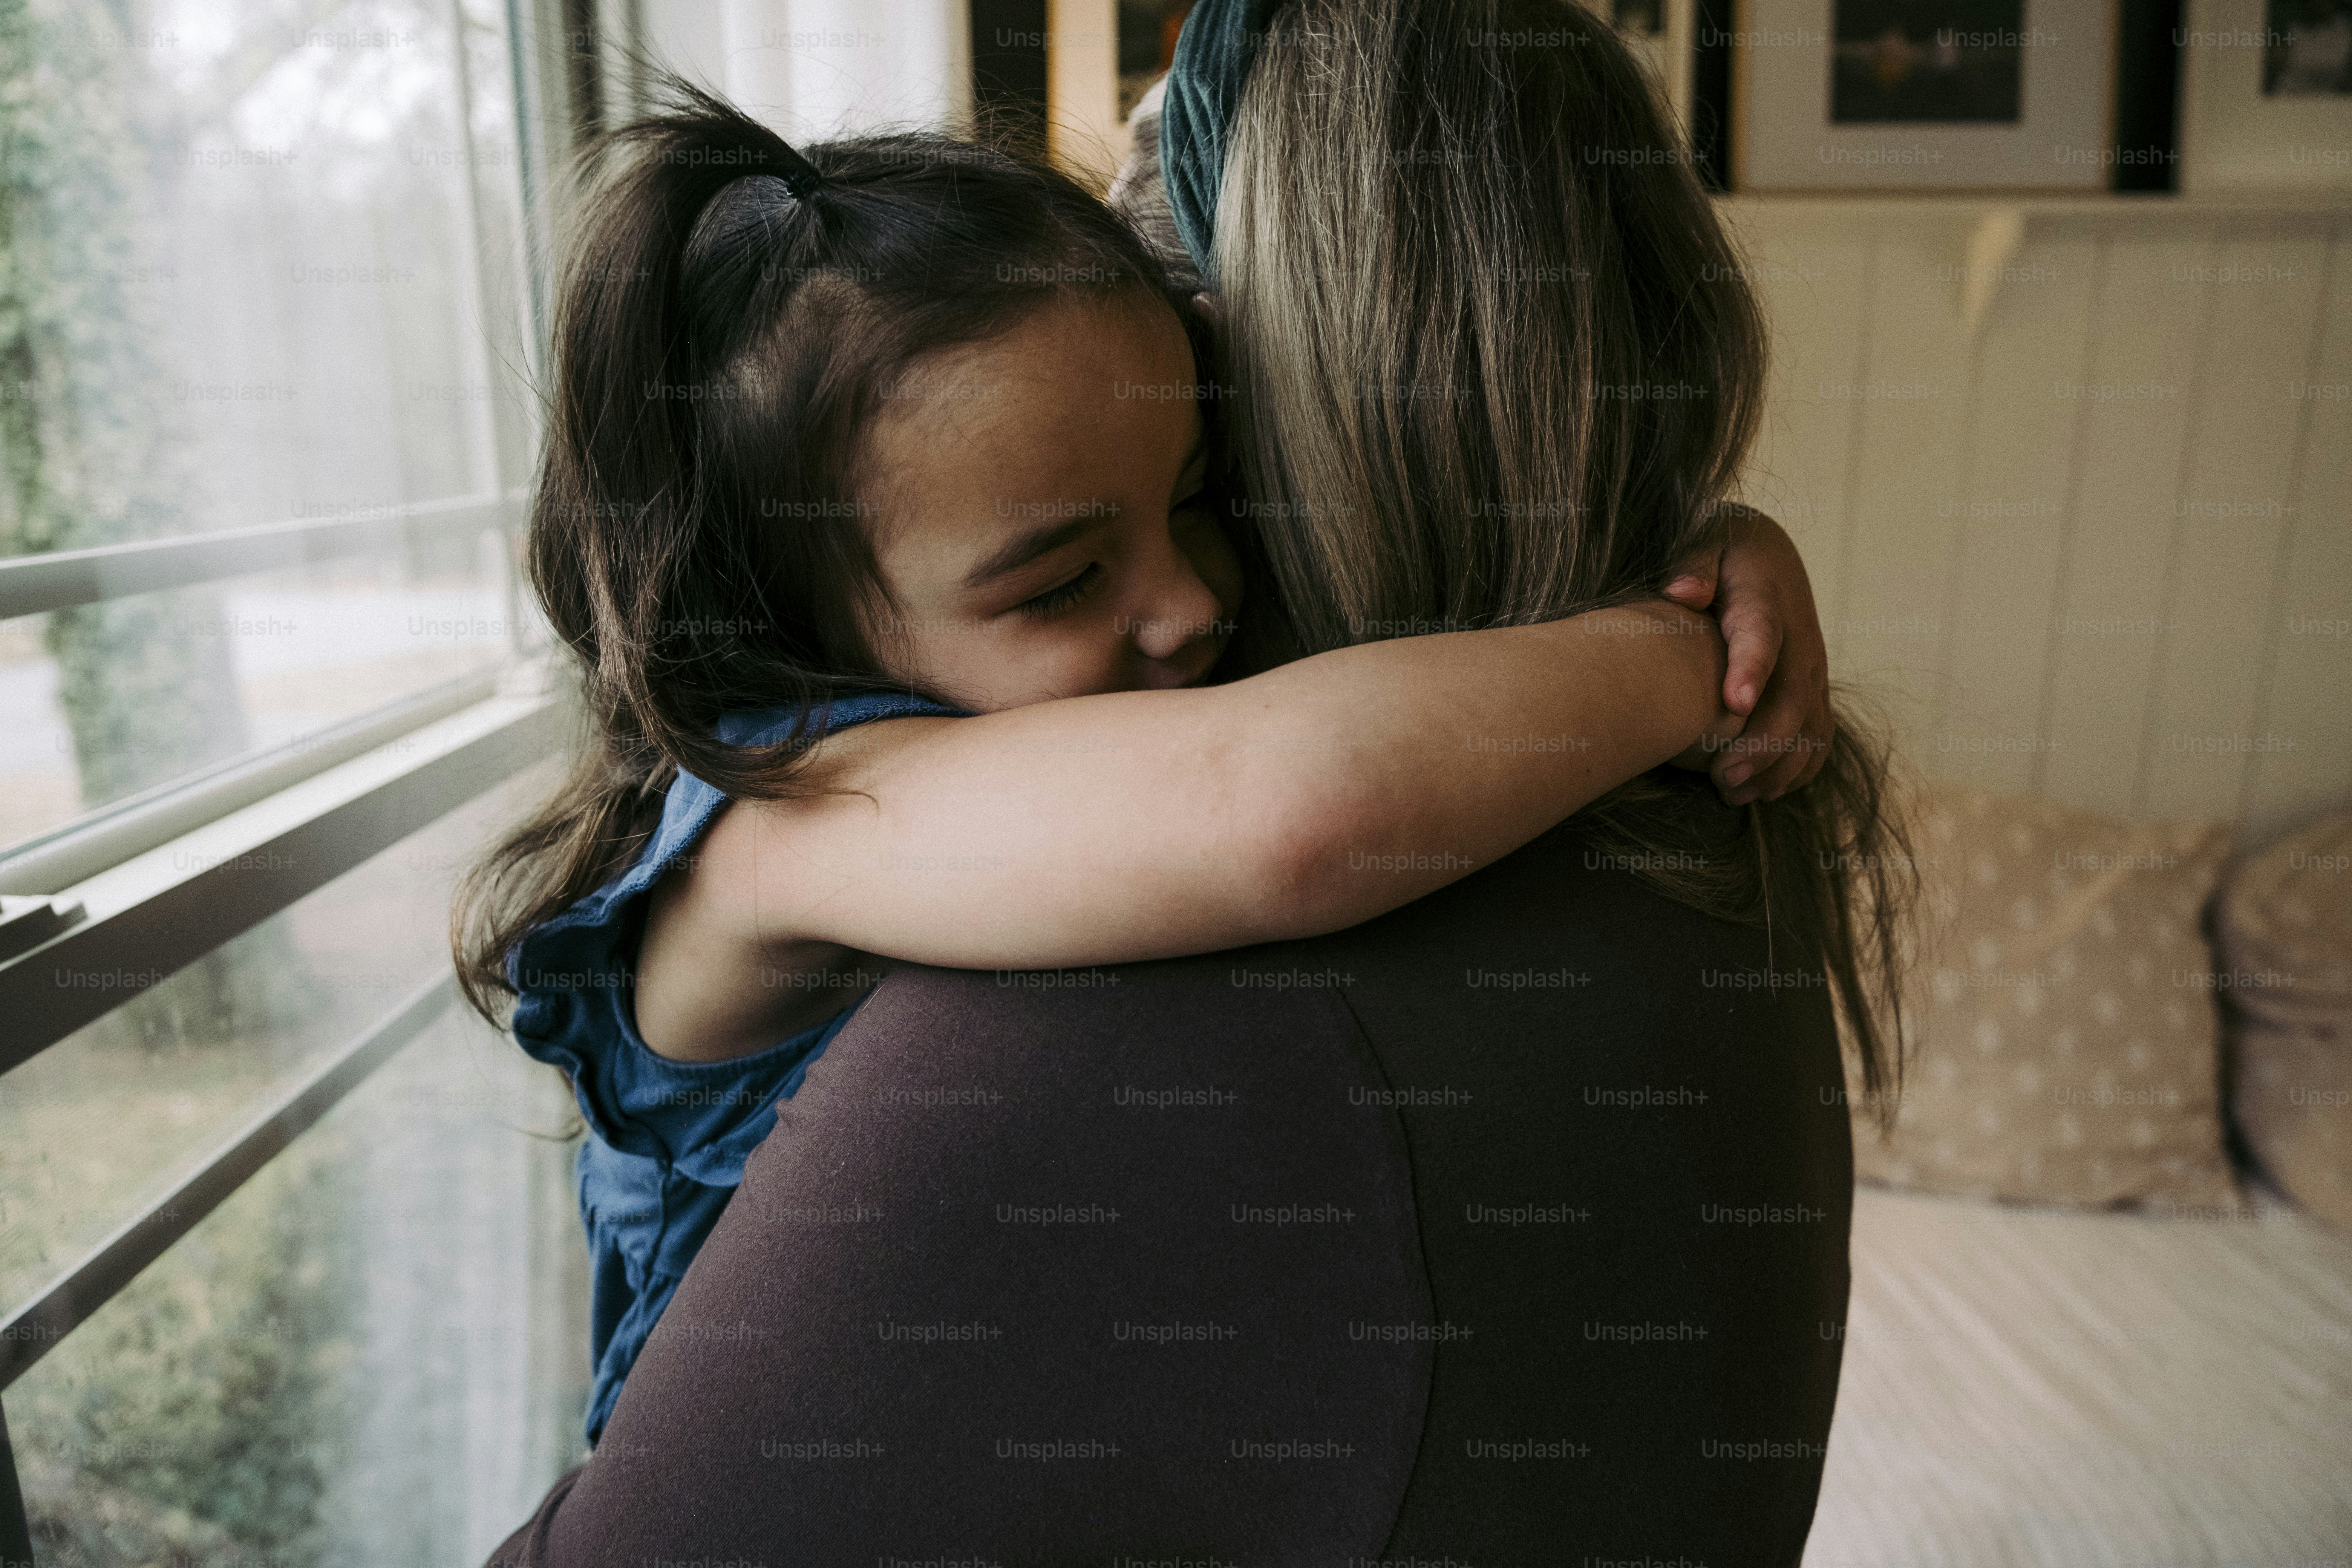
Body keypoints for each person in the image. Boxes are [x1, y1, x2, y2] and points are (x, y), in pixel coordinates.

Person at [485, 0, 1916, 1557]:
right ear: (796, 623)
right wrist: (1674, 646)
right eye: (1061, 576)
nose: (1191, 604)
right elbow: (1285, 804)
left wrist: (1712, 538)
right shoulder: (792, 821)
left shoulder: (1045, 693)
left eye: (1200, 492)